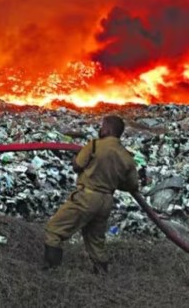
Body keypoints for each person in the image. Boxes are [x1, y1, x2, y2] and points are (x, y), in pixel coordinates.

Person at [43, 115, 145, 274]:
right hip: (106, 201)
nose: (100, 129)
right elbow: (132, 186)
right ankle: (102, 276)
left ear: (109, 129)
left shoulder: (95, 145)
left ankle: (52, 272)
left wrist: (75, 159)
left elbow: (78, 166)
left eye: (103, 126)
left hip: (87, 197)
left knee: (54, 229)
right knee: (96, 240)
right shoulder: (127, 157)